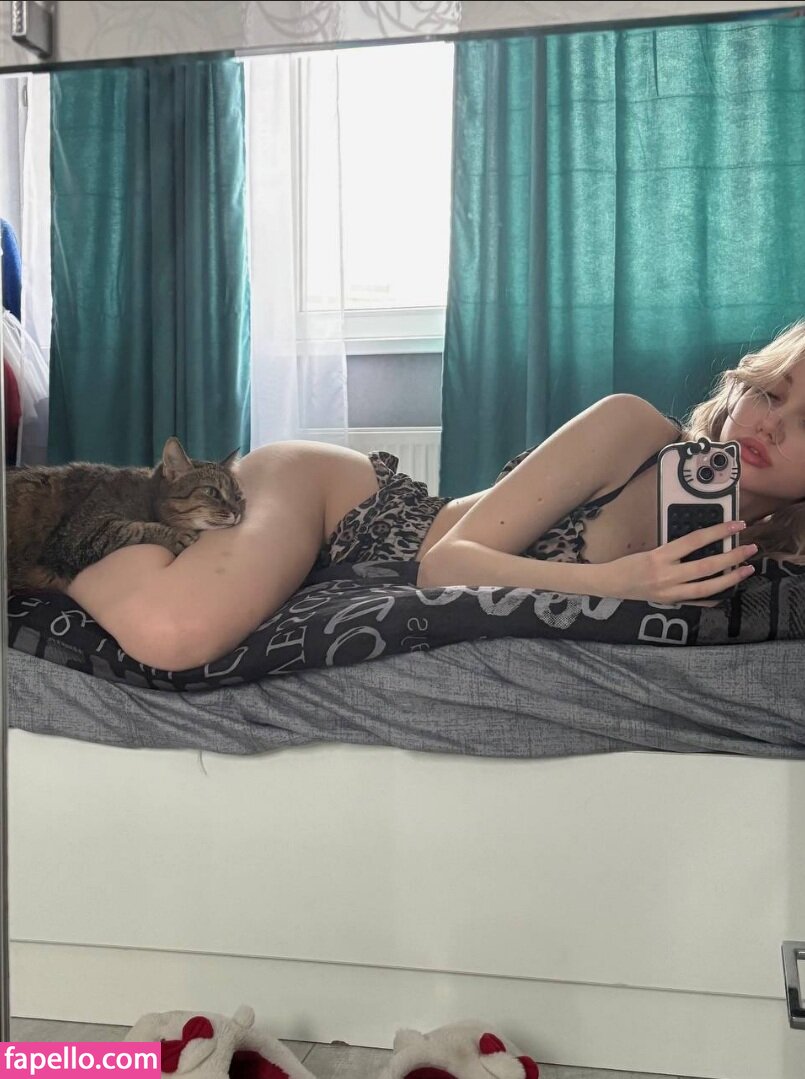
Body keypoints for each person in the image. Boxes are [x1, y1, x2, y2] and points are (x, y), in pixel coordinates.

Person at [66, 321, 805, 672]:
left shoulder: (779, 560)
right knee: (175, 634)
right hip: (348, 510)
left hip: (367, 541)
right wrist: (621, 582)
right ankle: (60, 530)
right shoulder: (634, 430)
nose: (769, 423)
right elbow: (445, 565)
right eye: (770, 392)